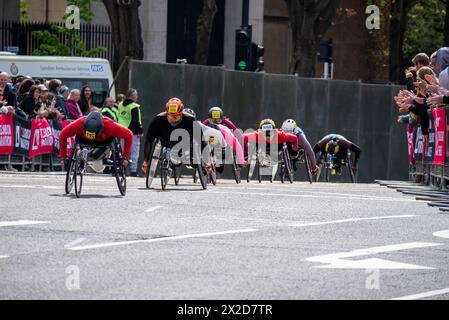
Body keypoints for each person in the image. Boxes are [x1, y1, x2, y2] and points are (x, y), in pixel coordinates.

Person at [142, 98, 203, 175]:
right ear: (166, 113)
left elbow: (200, 139)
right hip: (166, 140)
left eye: (176, 117)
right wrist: (146, 161)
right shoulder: (158, 119)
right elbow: (149, 140)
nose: (173, 120)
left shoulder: (190, 120)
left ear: (181, 114)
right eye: (170, 116)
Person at [59, 111, 133, 168]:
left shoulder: (110, 126)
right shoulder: (78, 124)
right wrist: (63, 156)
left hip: (104, 142)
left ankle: (99, 156)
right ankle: (83, 154)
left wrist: (125, 156)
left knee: (98, 155)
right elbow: (62, 135)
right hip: (84, 140)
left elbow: (129, 135)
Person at [117, 88, 143, 177]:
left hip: (122, 131)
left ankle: (122, 169)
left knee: (123, 151)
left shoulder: (120, 105)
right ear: (131, 96)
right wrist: (140, 131)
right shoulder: (134, 106)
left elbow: (119, 117)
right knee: (134, 152)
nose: (137, 96)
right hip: (133, 132)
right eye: (136, 95)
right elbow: (136, 120)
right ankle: (133, 171)